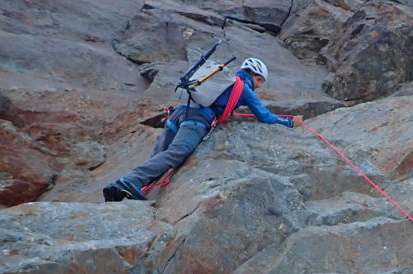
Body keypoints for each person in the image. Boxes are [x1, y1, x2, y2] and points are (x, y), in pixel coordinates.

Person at [102, 58, 303, 202]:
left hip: (179, 115)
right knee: (173, 156)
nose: (259, 86)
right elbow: (264, 116)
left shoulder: (225, 79)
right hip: (196, 120)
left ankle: (123, 189)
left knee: (160, 156)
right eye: (259, 80)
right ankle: (129, 182)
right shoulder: (243, 87)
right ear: (252, 74)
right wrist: (289, 123)